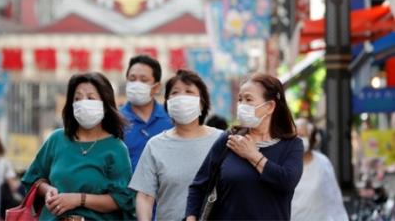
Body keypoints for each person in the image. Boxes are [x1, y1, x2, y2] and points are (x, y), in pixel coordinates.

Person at [185, 73, 303, 220]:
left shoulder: (292, 145)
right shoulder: (230, 139)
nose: (242, 105)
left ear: (270, 106)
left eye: (248, 99)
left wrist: (253, 155)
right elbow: (199, 185)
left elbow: (286, 182)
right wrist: (191, 218)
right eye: (240, 100)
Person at [22, 72, 135, 220]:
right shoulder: (56, 139)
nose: (83, 102)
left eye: (90, 97)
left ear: (105, 105)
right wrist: (48, 190)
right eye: (77, 98)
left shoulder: (116, 148)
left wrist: (79, 199)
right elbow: (33, 179)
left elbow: (122, 199)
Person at [130, 69, 223, 221]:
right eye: (175, 93)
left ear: (202, 103)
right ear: (167, 103)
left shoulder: (221, 141)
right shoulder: (155, 145)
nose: (181, 98)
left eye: (189, 92)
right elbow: (145, 197)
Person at [120, 55, 173, 170]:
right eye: (132, 79)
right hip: (127, 187)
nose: (136, 84)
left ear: (156, 87)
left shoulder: (171, 118)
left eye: (143, 80)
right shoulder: (115, 119)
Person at [291, 118, 348, 221]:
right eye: (295, 136)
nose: (298, 140)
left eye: (302, 135)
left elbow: (333, 198)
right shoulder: (284, 163)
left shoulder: (322, 163)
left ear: (312, 138)